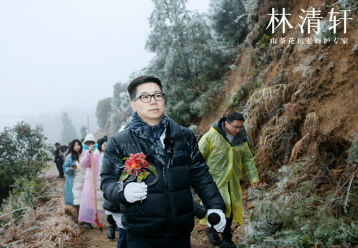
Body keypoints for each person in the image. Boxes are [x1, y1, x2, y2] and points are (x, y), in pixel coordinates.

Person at [101, 76, 226, 248]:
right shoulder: (119, 142)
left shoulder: (184, 136)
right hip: (141, 234)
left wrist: (215, 206)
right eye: (145, 97)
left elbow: (200, 174)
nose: (153, 101)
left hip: (179, 231)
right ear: (133, 105)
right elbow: (108, 183)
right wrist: (123, 191)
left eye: (157, 95)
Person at [198, 112, 260, 248]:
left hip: (232, 182)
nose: (238, 130)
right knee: (216, 207)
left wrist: (253, 177)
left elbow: (247, 159)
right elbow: (198, 157)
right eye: (235, 127)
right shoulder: (210, 137)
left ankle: (227, 238)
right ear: (226, 123)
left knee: (230, 208)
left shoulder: (241, 140)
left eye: (240, 127)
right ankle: (212, 230)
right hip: (213, 181)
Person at [62, 139, 87, 226]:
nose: (77, 146)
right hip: (75, 180)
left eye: (78, 145)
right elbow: (65, 168)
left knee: (86, 199)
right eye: (75, 145)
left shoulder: (84, 154)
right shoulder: (69, 157)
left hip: (86, 179)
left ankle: (86, 218)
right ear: (72, 147)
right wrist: (70, 169)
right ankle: (80, 218)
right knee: (78, 199)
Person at [78, 134, 100, 229]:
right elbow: (83, 163)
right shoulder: (85, 152)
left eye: (92, 142)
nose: (90, 144)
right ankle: (87, 220)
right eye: (88, 143)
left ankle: (100, 218)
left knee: (97, 199)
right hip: (89, 178)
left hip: (98, 178)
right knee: (88, 200)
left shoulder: (98, 152)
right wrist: (88, 154)